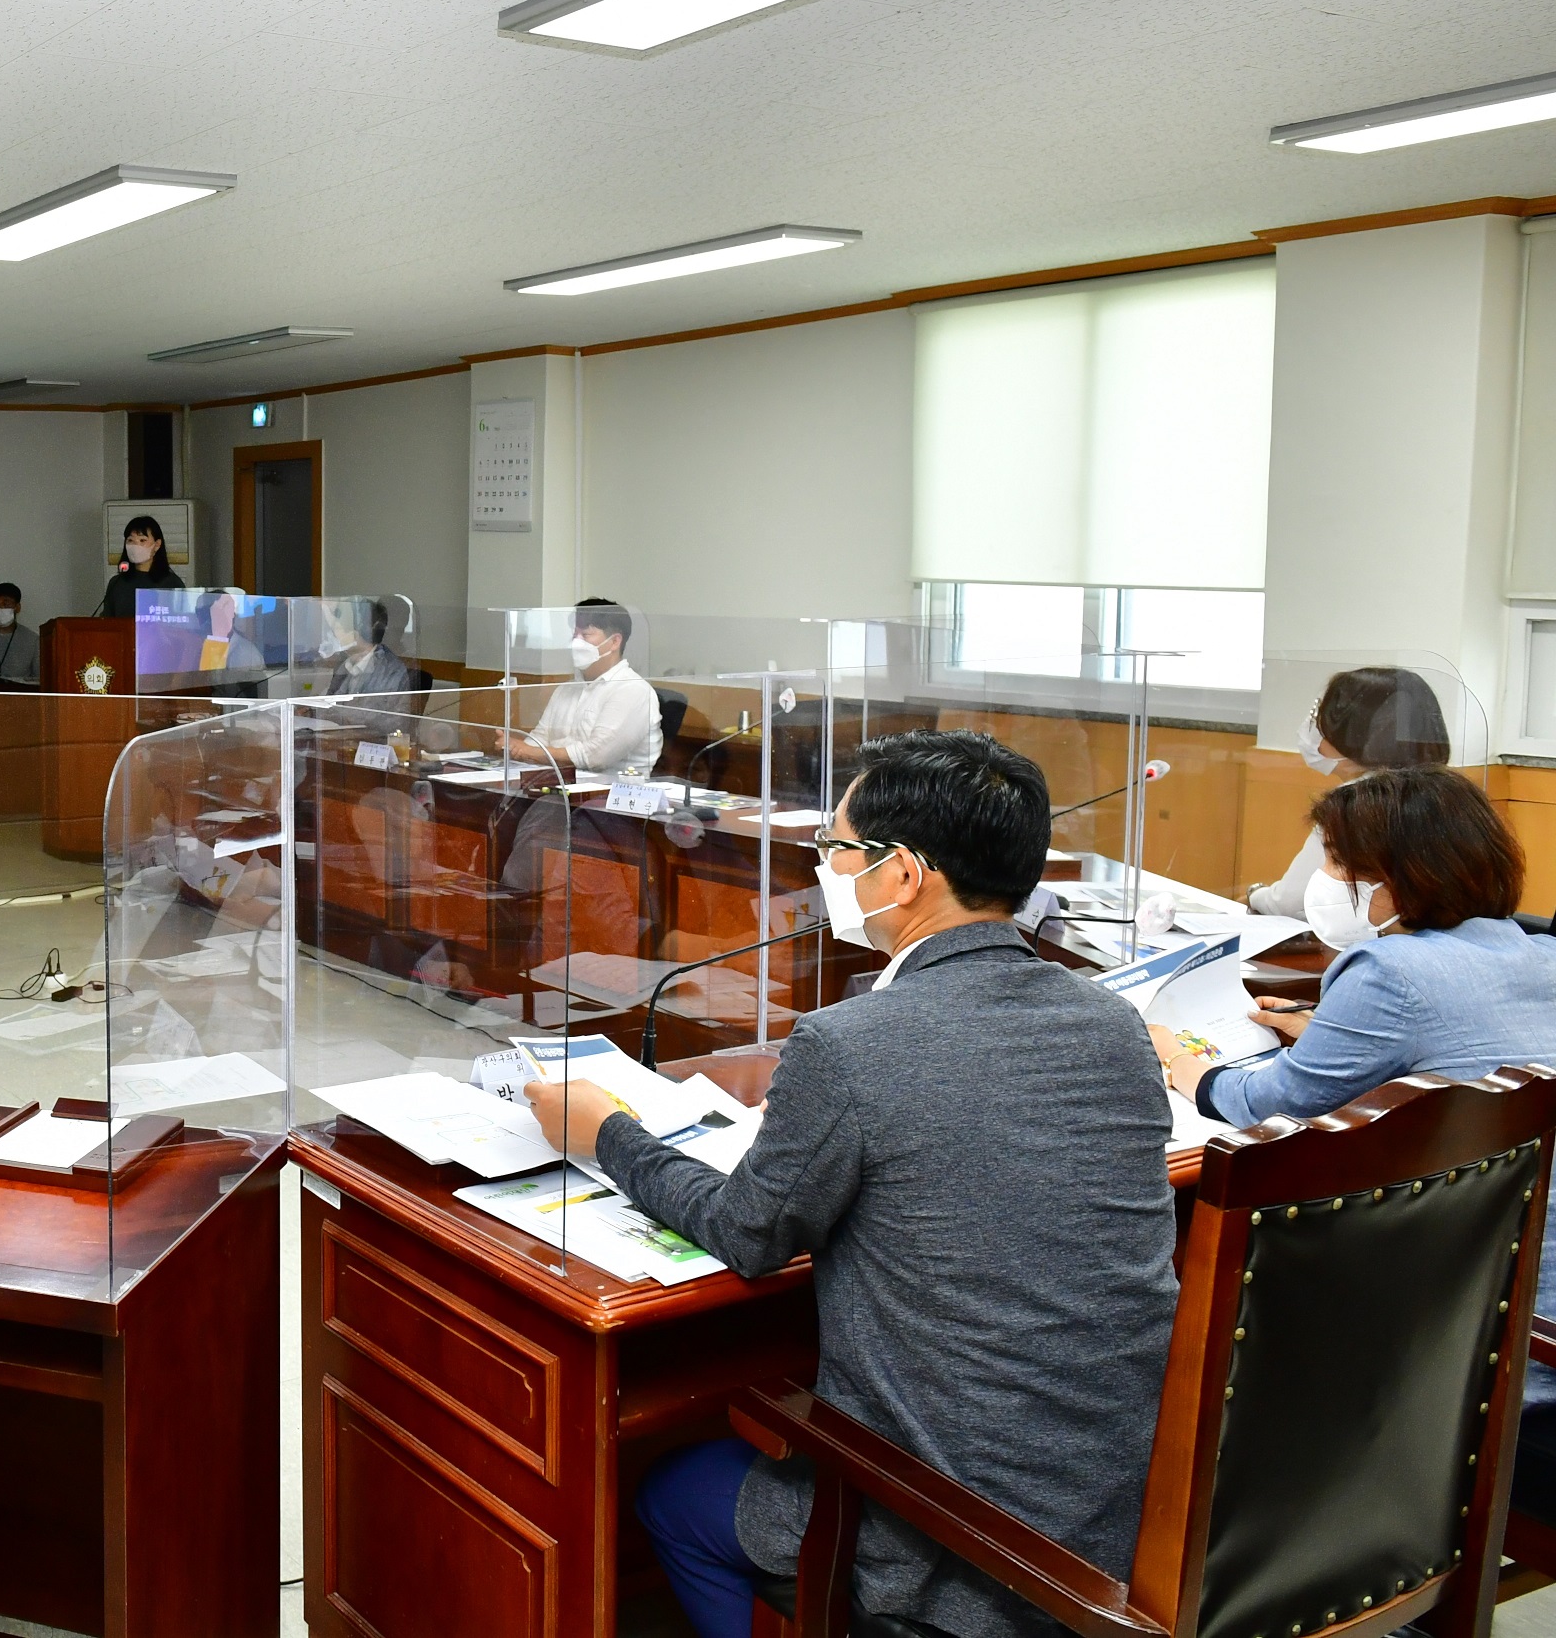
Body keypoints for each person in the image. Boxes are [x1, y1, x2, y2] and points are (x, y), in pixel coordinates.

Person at [526, 730, 1176, 1638]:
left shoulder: (850, 1044)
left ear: (901, 873)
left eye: (834, 848)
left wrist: (606, 1134)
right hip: (1106, 1510)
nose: (824, 869)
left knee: (674, 1490)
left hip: (948, 1535)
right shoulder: (1112, 1023)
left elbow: (748, 1233)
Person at [1159, 767, 1556, 1126]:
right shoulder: (1543, 953)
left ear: (1405, 876)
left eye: (1335, 859)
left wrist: (1178, 1060)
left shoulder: (1389, 971)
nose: (1323, 875)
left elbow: (1272, 1104)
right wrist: (1330, 1035)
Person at [1244, 666, 1450, 919]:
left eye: (1321, 716)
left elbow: (1292, 903)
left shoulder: (1353, 806)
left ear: (1354, 734)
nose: (1314, 727)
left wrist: (1255, 894)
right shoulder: (1451, 793)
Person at [509, 598, 664, 777]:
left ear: (615, 642)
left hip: (614, 790)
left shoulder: (632, 690)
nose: (576, 642)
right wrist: (515, 749)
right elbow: (540, 738)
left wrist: (530, 752)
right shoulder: (567, 689)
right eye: (574, 635)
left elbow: (596, 756)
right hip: (560, 784)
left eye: (585, 634)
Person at [95, 514, 184, 618]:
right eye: (130, 540)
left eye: (142, 540)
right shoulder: (116, 583)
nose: (135, 546)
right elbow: (107, 620)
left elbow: (181, 622)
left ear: (157, 545)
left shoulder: (172, 583)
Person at [324, 597, 412, 698]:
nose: (334, 635)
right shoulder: (344, 665)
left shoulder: (390, 671)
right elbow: (330, 702)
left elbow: (368, 708)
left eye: (338, 629)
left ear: (359, 630)